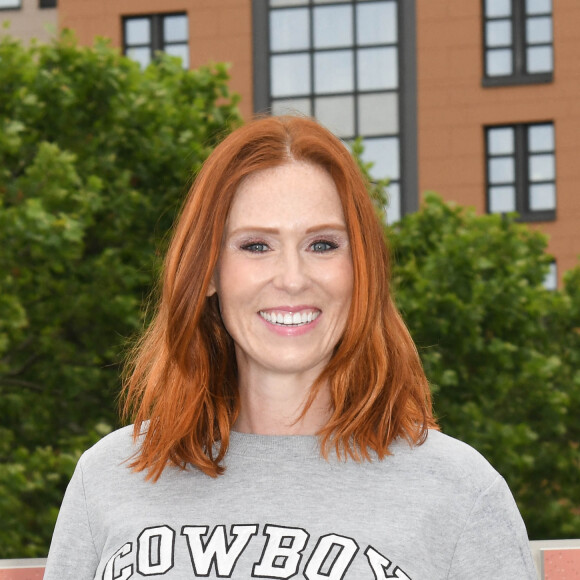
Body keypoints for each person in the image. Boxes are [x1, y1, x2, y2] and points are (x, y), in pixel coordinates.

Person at [44, 116, 537, 579]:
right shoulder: (110, 476)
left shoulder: (459, 490)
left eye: (322, 244)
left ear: (360, 268)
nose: (292, 279)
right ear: (210, 271)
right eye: (256, 245)